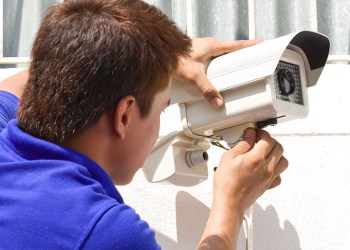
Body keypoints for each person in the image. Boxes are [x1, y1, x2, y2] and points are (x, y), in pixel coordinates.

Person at [0, 0, 288, 249]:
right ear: (124, 116)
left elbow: (40, 74)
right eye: (162, 110)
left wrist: (152, 56)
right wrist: (231, 203)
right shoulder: (103, 231)